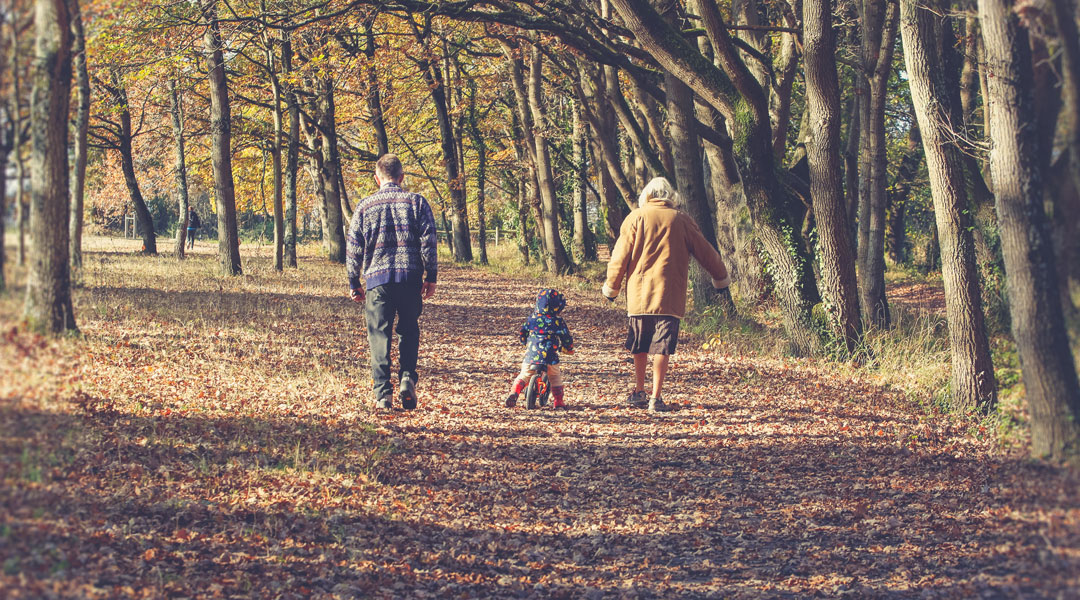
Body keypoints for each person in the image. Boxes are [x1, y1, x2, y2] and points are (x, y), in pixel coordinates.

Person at [602, 177, 730, 412]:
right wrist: (720, 278)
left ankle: (639, 390)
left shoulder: (635, 218)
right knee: (662, 346)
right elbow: (705, 251)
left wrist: (612, 287)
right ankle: (655, 397)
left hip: (639, 294)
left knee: (639, 344)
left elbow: (619, 257)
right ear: (671, 196)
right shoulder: (681, 220)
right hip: (669, 294)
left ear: (647, 195)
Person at [347, 154, 438, 410]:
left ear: (377, 178)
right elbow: (429, 241)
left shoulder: (365, 207)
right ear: (402, 177)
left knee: (379, 335)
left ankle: (383, 394)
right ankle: (407, 378)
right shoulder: (417, 202)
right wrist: (430, 276)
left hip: (378, 281)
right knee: (409, 330)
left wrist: (354, 281)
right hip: (410, 279)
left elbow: (354, 246)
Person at [505, 288, 575, 409]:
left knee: (524, 375)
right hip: (550, 358)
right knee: (555, 377)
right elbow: (566, 336)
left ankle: (514, 392)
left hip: (531, 356)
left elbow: (523, 332)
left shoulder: (532, 319)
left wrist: (524, 342)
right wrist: (568, 348)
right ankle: (558, 402)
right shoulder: (557, 321)